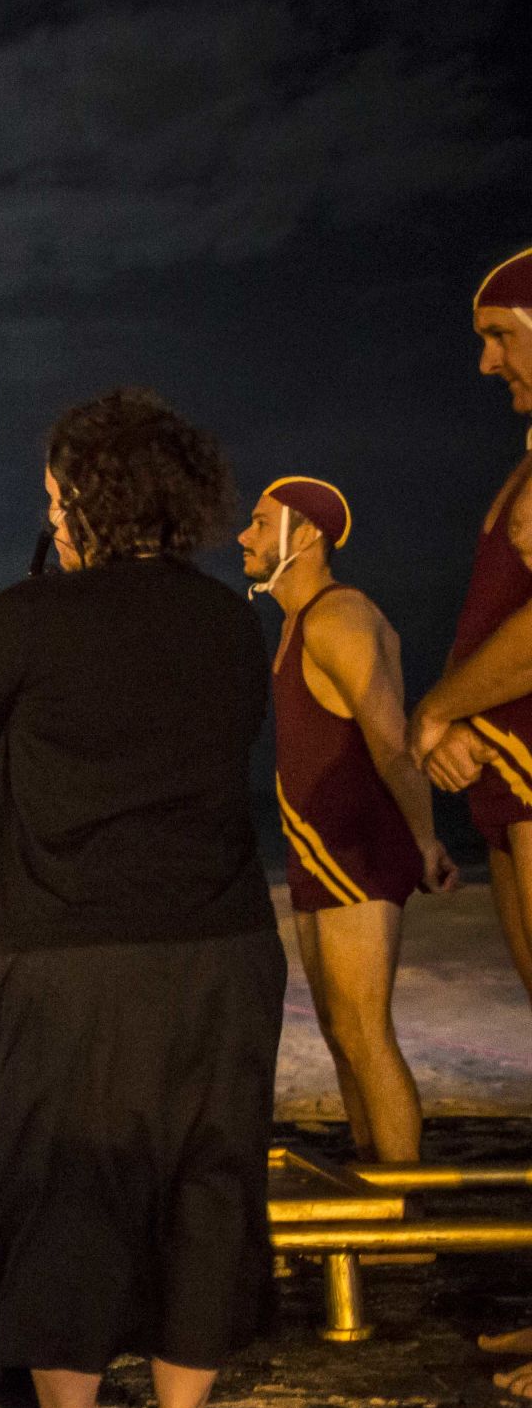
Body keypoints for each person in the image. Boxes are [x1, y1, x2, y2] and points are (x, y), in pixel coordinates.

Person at [0, 387, 283, 1408]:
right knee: (206, 1180)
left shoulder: (29, 616)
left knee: (71, 1187)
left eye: (57, 495)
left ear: (83, 506)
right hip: (215, 947)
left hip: (62, 953)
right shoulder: (228, 623)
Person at [241, 476, 457, 1164]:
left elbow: (392, 741)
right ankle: (375, 1185)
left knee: (366, 1029)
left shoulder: (339, 617)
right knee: (339, 1029)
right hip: (317, 850)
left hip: (359, 849)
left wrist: (425, 839)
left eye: (258, 522)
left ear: (304, 535)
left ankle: (407, 1220)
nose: (244, 537)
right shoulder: (296, 624)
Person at [413, 246, 532, 998]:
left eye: (502, 335)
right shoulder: (522, 469)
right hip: (509, 785)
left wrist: (436, 710)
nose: (487, 363)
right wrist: (456, 728)